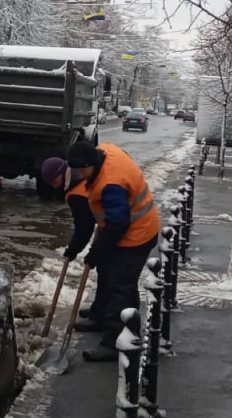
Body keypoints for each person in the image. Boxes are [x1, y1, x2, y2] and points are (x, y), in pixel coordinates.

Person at [64, 140, 162, 361]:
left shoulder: (111, 183)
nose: (80, 176)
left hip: (137, 234)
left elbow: (117, 225)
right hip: (124, 228)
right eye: (76, 171)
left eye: (82, 171)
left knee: (121, 287)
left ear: (92, 162)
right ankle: (100, 316)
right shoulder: (105, 151)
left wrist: (97, 251)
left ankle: (117, 340)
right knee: (106, 273)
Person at [39, 155, 105, 324]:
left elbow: (84, 227)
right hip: (109, 222)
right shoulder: (79, 177)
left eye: (53, 182)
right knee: (105, 270)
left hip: (114, 225)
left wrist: (73, 250)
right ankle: (99, 310)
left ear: (61, 175)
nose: (54, 187)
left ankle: (104, 319)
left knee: (109, 271)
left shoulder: (76, 192)